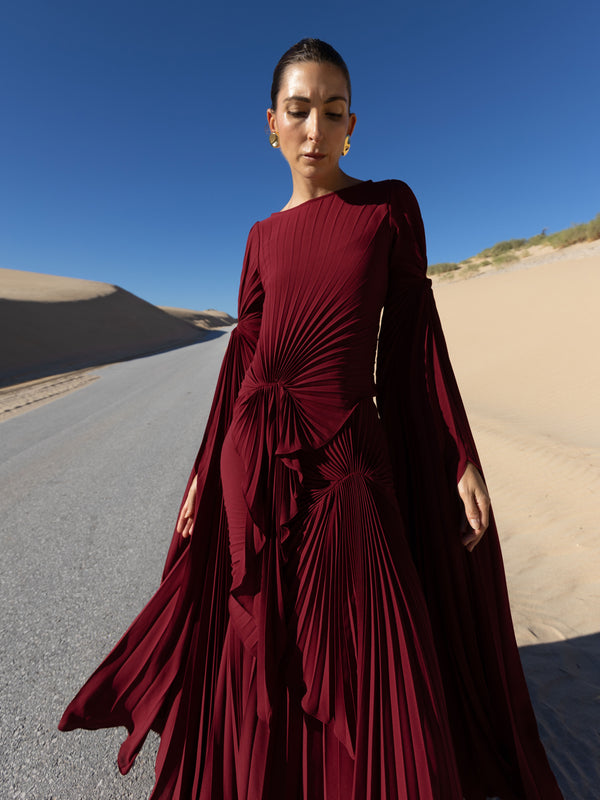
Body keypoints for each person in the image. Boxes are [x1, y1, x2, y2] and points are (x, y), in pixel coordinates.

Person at [59, 38, 564, 800]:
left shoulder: (388, 207)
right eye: (299, 112)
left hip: (351, 459)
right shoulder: (260, 238)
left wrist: (457, 451)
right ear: (271, 123)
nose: (315, 130)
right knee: (263, 650)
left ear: (352, 122)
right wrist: (203, 470)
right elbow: (242, 363)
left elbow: (412, 344)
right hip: (251, 464)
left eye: (332, 112)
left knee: (383, 652)